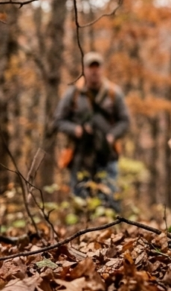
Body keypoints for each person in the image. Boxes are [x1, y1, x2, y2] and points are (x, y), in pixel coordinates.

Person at [53, 52, 130, 210]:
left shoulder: (114, 93)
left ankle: (113, 231)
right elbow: (58, 120)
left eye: (97, 67)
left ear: (102, 69)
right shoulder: (73, 94)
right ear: (84, 70)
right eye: (90, 67)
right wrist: (76, 130)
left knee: (110, 199)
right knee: (80, 199)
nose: (94, 71)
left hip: (107, 153)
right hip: (80, 153)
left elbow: (125, 121)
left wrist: (112, 136)